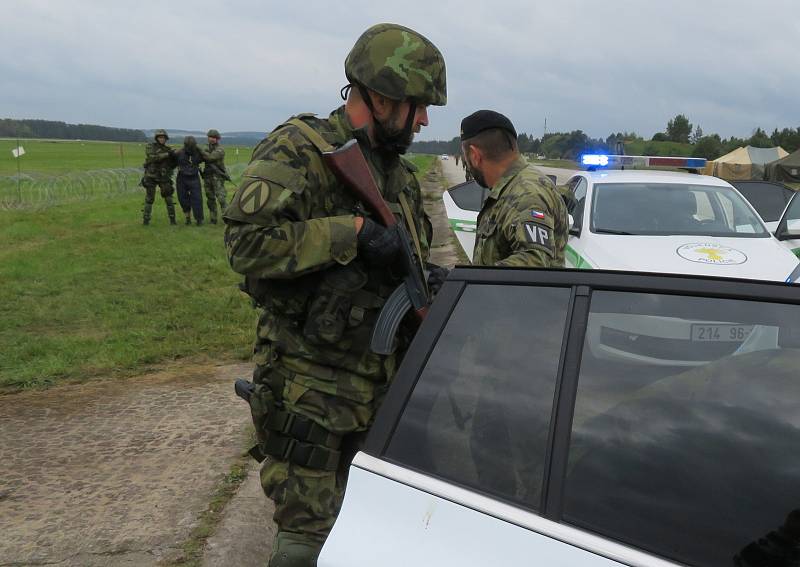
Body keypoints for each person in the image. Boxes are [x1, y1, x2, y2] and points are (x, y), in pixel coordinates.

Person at [223, 23, 447, 567]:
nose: (423, 120)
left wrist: (429, 279)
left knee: (371, 535)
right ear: (381, 95)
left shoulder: (399, 175)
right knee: (308, 540)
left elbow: (404, 262)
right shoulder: (301, 149)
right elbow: (246, 243)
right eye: (418, 106)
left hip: (379, 394)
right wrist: (350, 233)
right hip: (310, 392)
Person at [462, 110, 568, 266]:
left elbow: (534, 263)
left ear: (474, 155)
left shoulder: (526, 194)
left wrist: (471, 279)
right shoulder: (512, 187)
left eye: (465, 158)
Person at [141, 129, 177, 225]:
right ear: (156, 138)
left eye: (163, 138)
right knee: (149, 199)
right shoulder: (150, 146)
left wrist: (174, 156)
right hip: (151, 176)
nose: (162, 139)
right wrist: (168, 154)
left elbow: (172, 164)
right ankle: (146, 220)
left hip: (164, 177)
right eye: (160, 137)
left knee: (169, 198)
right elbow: (153, 157)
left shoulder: (168, 149)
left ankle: (173, 220)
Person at [199, 129, 228, 224]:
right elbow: (202, 156)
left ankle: (226, 218)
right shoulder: (205, 147)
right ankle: (213, 219)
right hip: (207, 176)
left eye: (214, 137)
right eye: (210, 137)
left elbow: (211, 158)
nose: (211, 139)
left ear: (217, 139)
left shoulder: (220, 149)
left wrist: (201, 151)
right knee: (210, 198)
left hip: (217, 177)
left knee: (221, 199)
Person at [174, 136, 205, 225]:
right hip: (182, 178)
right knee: (182, 198)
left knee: (197, 199)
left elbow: (208, 158)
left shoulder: (198, 153)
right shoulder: (179, 153)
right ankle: (188, 217)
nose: (190, 147)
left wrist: (201, 150)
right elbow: (172, 161)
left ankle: (199, 219)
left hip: (194, 177)